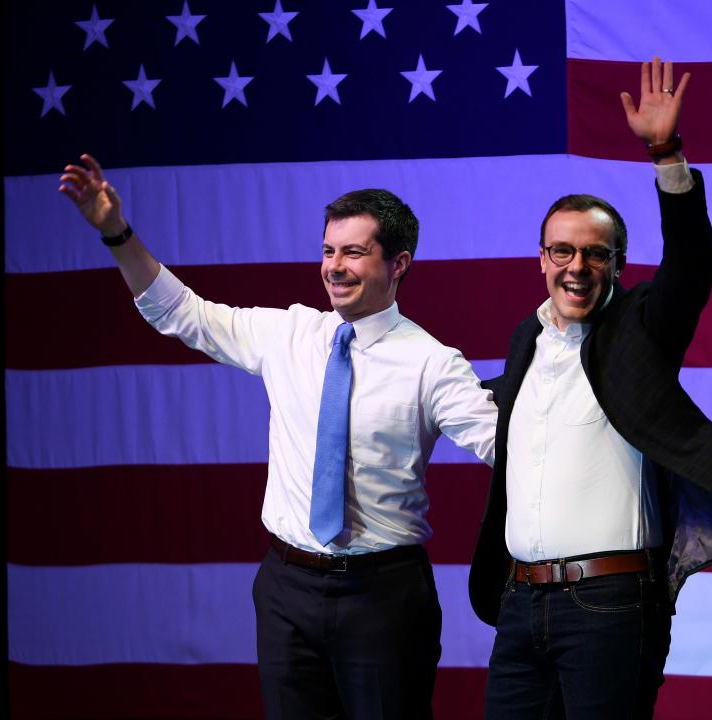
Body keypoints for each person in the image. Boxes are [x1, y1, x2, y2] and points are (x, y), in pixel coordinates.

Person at [59, 157, 498, 720]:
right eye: (328, 251)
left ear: (399, 264)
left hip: (383, 598)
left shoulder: (433, 364)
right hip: (286, 590)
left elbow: (505, 449)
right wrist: (115, 233)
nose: (334, 268)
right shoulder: (289, 332)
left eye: (354, 252)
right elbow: (180, 313)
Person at [468, 58, 712, 718]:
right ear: (542, 260)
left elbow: (692, 266)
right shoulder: (526, 340)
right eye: (562, 251)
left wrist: (666, 154)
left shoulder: (640, 329)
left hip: (608, 606)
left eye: (594, 253)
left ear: (617, 262)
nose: (576, 267)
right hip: (520, 605)